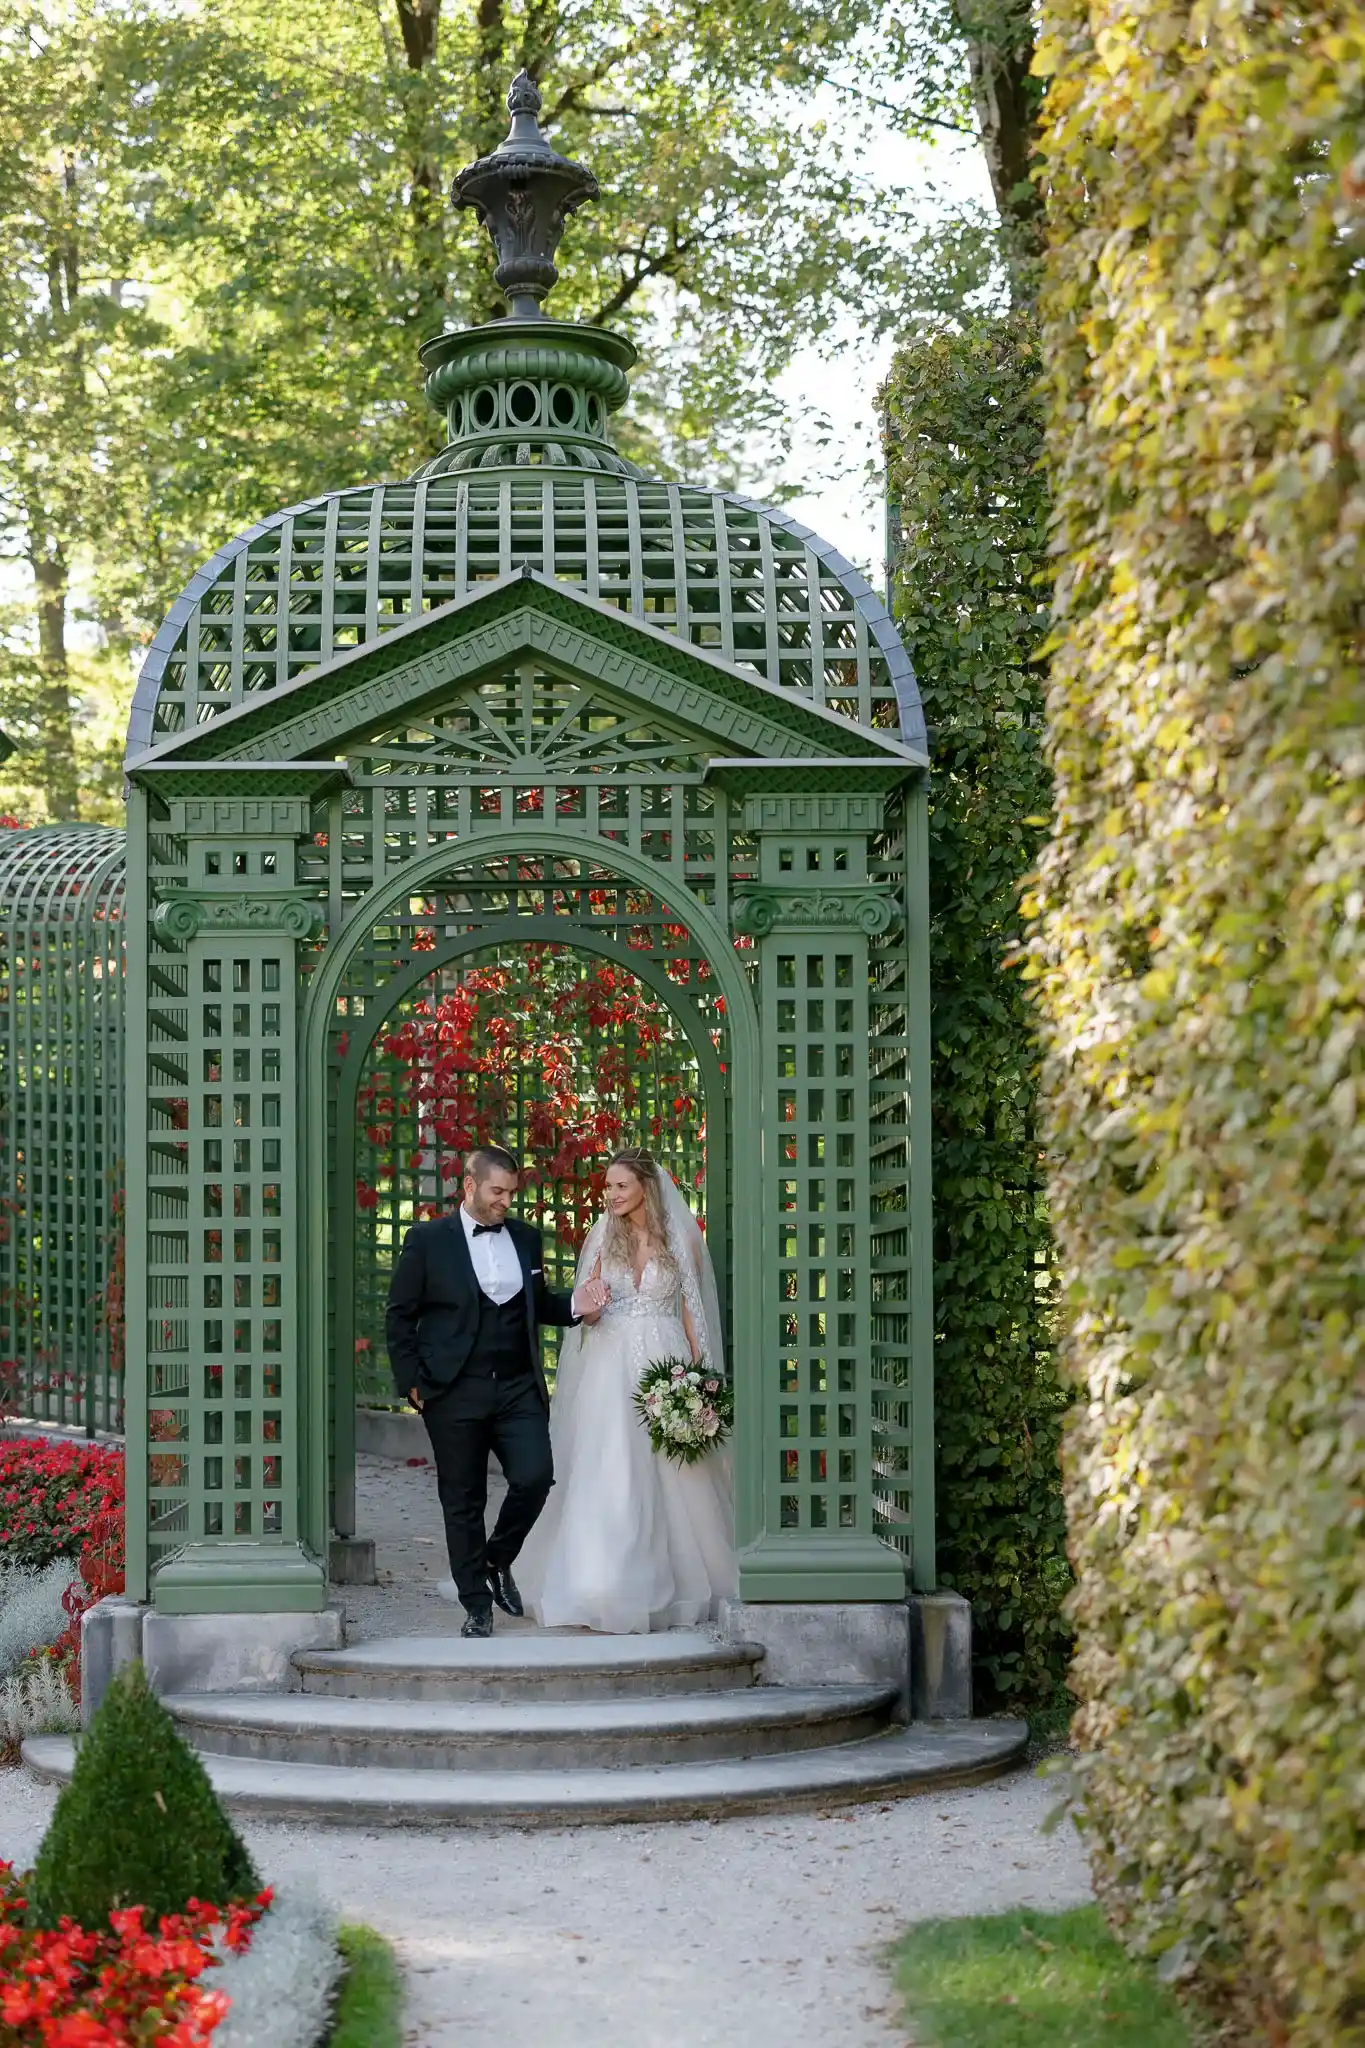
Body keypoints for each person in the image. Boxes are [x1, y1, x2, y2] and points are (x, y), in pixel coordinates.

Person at [385, 1144, 609, 1638]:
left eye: (511, 1192)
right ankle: (475, 1605)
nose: (507, 1200)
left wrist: (578, 1306)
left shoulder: (526, 1240)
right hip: (451, 1389)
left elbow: (537, 1303)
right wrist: (413, 1384)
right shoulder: (426, 1240)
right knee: (461, 1498)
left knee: (535, 1476)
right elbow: (399, 1316)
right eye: (498, 1191)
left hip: (516, 1386)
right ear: (470, 1185)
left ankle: (496, 1559)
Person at [517, 1147, 737, 1634]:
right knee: (610, 1465)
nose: (610, 1194)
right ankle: (599, 1582)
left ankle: (678, 1578)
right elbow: (585, 1307)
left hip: (665, 1356)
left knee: (674, 1472)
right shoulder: (600, 1237)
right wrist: (589, 1308)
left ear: (646, 1187)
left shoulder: (682, 1239)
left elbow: (693, 1313)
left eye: (620, 1185)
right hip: (608, 1364)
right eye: (608, 1186)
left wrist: (701, 1379)